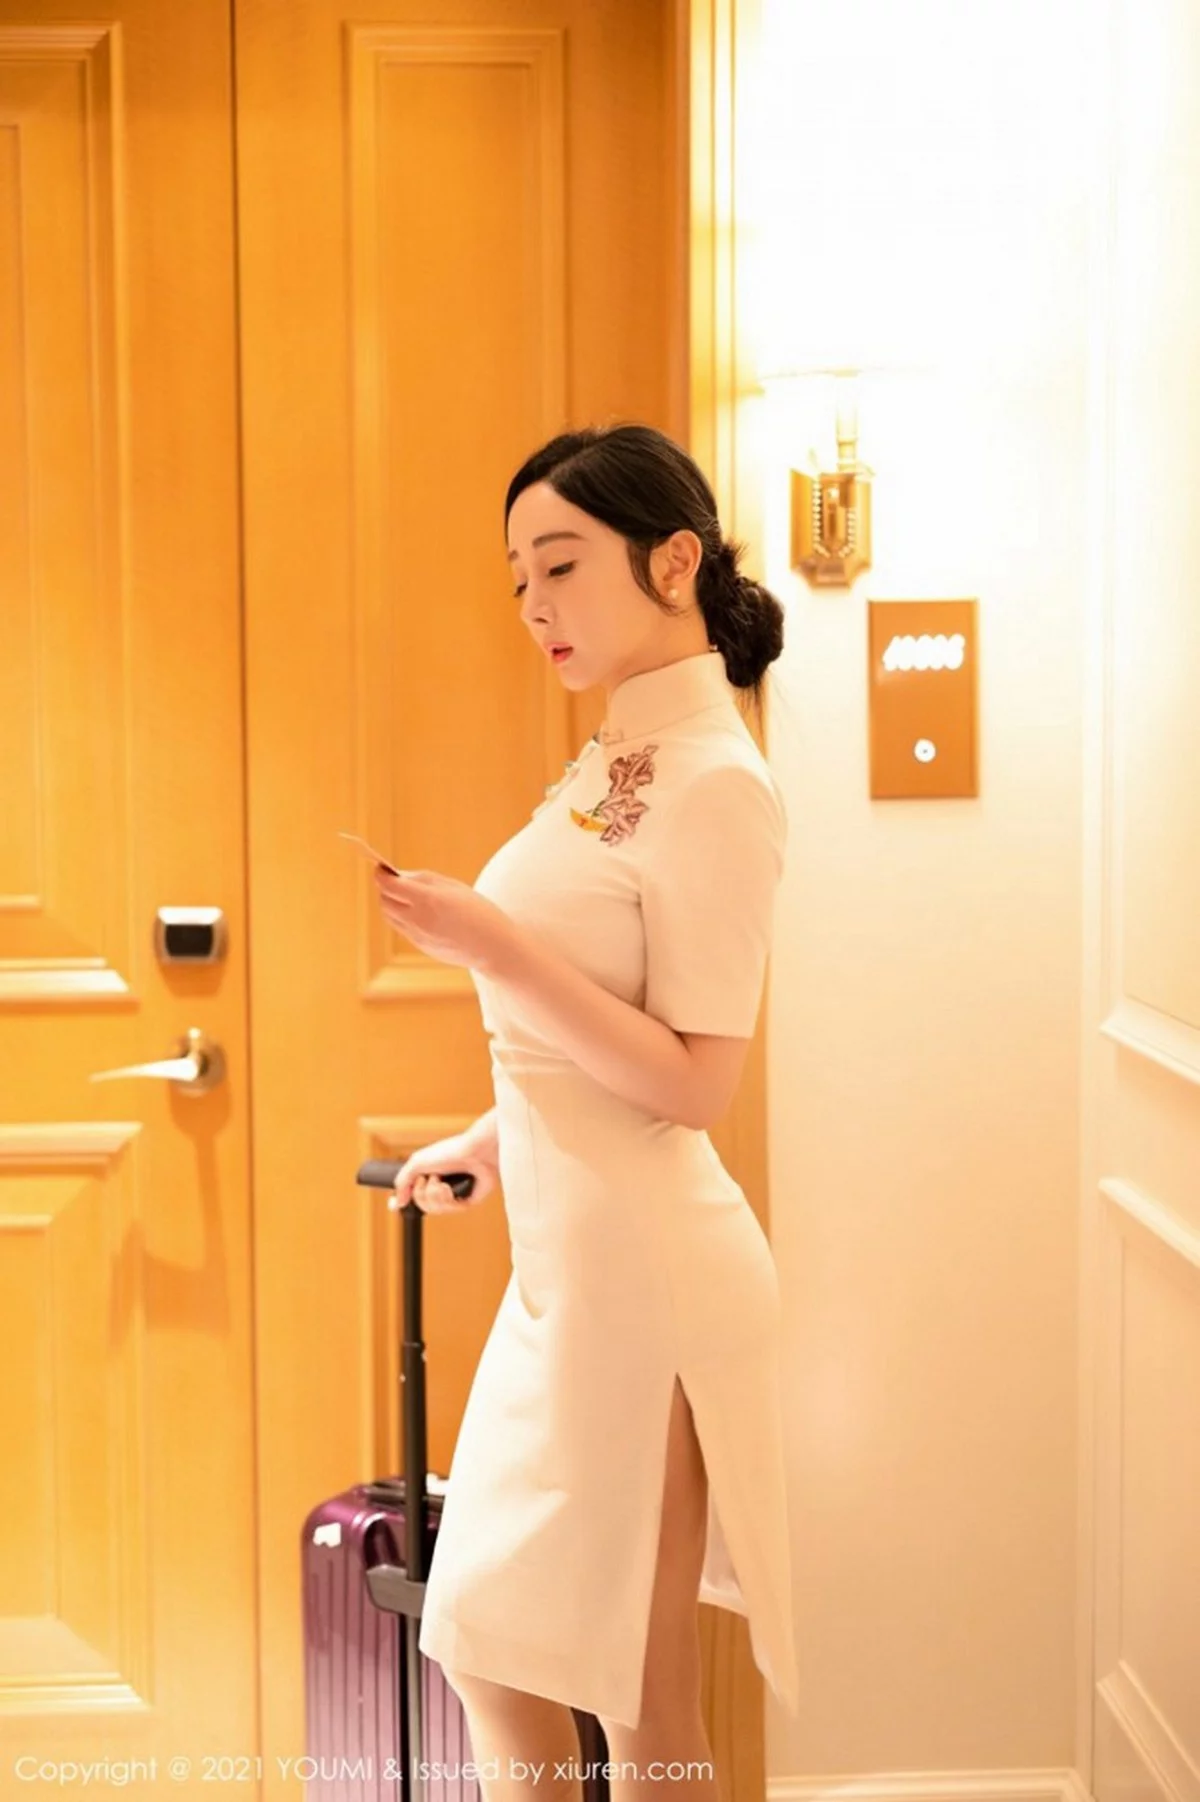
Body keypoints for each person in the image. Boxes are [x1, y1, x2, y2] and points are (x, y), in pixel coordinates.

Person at [373, 423, 799, 1802]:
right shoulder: (616, 756)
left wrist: (492, 945)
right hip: (570, 1274)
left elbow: (697, 1080)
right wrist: (488, 1138)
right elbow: (579, 1042)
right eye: (518, 579)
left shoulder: (716, 781)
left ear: (673, 561)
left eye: (559, 564)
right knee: (493, 1648)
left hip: (648, 1283)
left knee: (642, 1692)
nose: (534, 604)